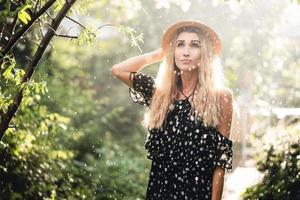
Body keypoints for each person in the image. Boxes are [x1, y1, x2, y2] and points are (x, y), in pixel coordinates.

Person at [111, 20, 233, 200]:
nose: (185, 52)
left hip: (197, 193)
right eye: (180, 45)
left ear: (204, 54)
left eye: (194, 45)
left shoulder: (221, 97)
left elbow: (220, 161)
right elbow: (118, 70)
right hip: (160, 191)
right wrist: (160, 54)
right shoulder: (161, 96)